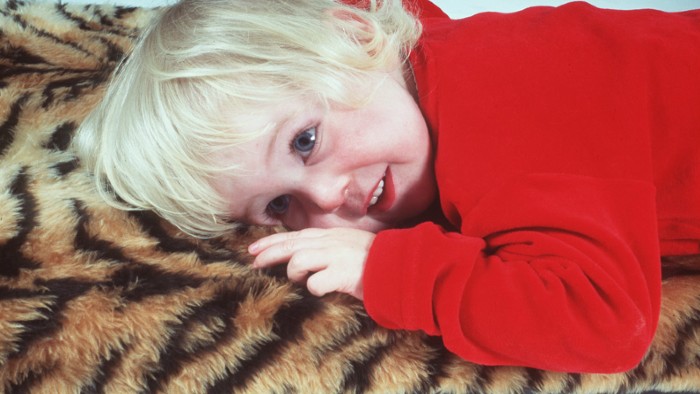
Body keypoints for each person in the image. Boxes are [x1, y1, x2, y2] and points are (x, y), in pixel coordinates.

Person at [71, 0, 700, 373]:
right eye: (278, 206)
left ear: (353, 37)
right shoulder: (427, 58)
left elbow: (608, 321)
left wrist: (388, 270)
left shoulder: (499, 106)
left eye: (305, 141)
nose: (323, 200)